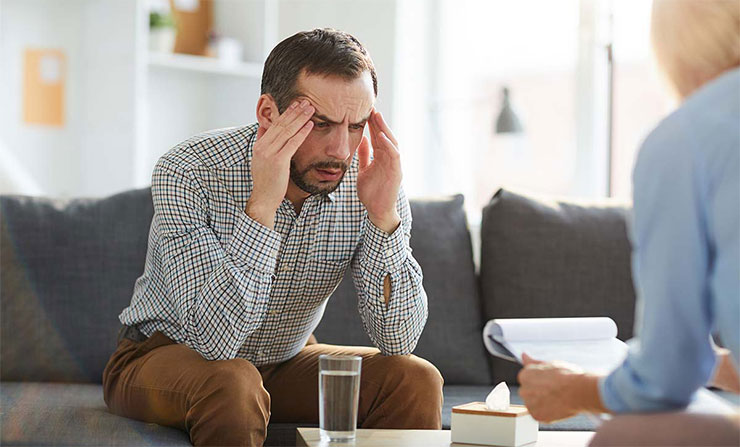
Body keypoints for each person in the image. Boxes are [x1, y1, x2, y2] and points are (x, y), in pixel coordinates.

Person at [102, 28, 443, 446]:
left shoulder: (371, 179)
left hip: (283, 361)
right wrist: (262, 206)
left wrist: (384, 218)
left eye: (356, 126)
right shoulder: (189, 171)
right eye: (320, 124)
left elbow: (400, 339)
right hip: (164, 356)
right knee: (233, 382)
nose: (340, 150)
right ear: (268, 113)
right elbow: (214, 342)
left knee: (415, 378)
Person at [517, 1, 740, 445]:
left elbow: (666, 377)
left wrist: (575, 390)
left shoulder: (685, 140)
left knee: (625, 436)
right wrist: (713, 364)